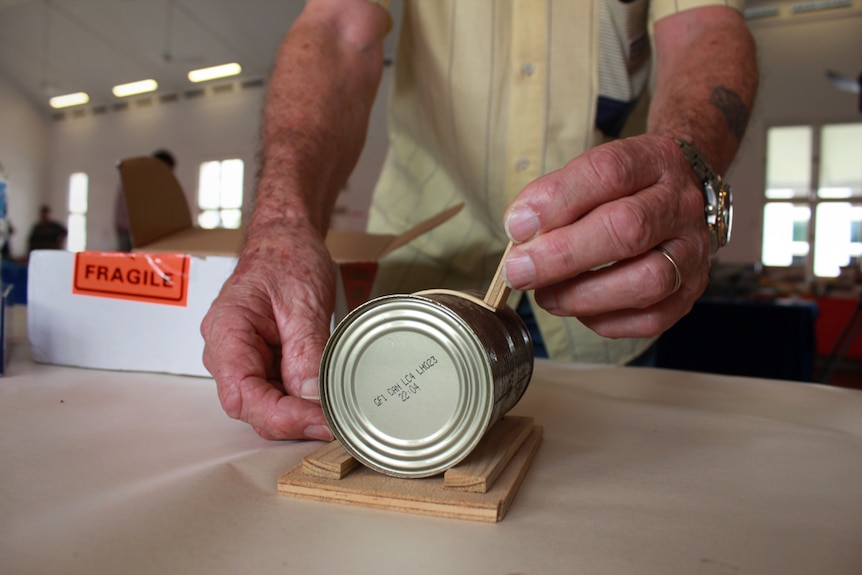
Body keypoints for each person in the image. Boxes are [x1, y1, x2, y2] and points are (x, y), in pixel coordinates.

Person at [200, 0, 758, 440]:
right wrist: (279, 226)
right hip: (419, 305)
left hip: (612, 282)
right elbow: (339, 26)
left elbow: (703, 28)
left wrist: (688, 165)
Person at [114, 149, 176, 251]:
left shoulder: (163, 186)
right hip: (129, 232)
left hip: (152, 234)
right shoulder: (133, 179)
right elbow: (122, 206)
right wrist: (121, 228)